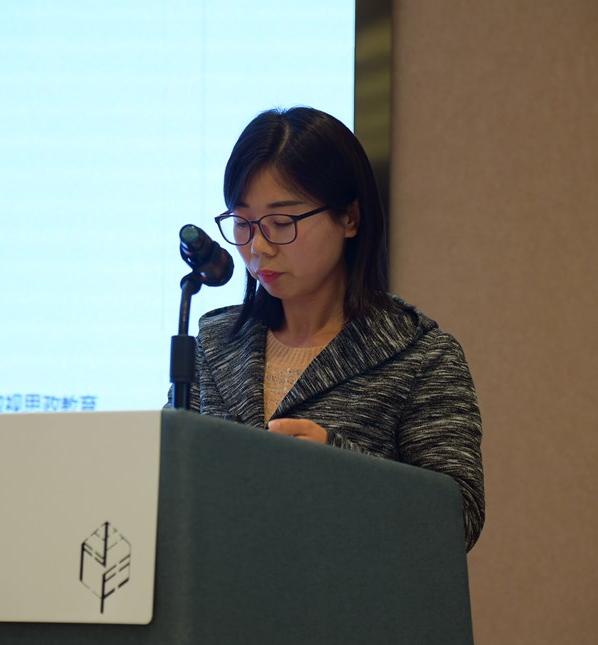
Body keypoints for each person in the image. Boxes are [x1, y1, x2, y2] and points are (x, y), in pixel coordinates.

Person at [175, 106, 484, 551]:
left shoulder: (422, 357)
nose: (258, 247)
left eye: (281, 223)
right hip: (218, 590)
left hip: (350, 593)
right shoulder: (214, 344)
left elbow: (459, 521)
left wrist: (339, 466)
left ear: (350, 218)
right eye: (242, 224)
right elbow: (170, 482)